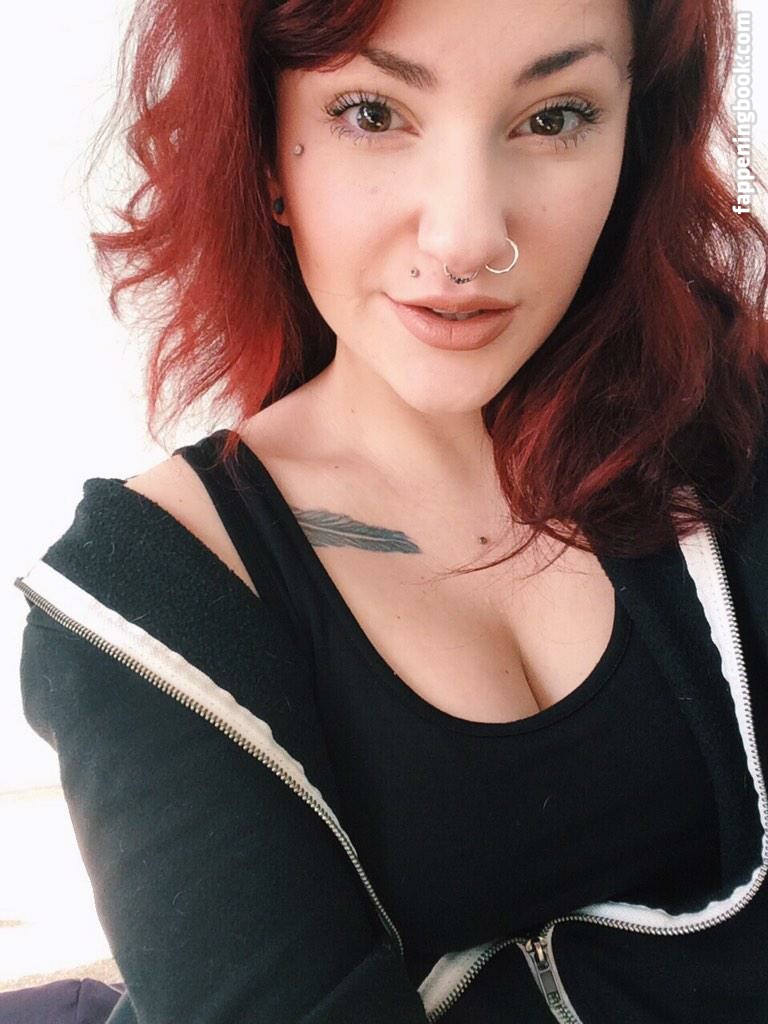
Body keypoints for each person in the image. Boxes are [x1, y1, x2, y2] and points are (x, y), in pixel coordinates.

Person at [12, 0, 768, 1020]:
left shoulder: (731, 434)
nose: (467, 238)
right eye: (371, 113)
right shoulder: (150, 600)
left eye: (554, 117)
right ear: (265, 150)